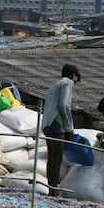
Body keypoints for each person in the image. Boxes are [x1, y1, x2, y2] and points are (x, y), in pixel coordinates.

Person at [41, 64, 81, 196]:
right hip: (56, 124)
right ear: (72, 75)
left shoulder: (55, 85)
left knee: (52, 159)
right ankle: (53, 190)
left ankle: (51, 189)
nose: (75, 81)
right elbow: (64, 105)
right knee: (57, 159)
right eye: (76, 78)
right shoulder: (67, 83)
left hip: (47, 123)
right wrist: (69, 127)